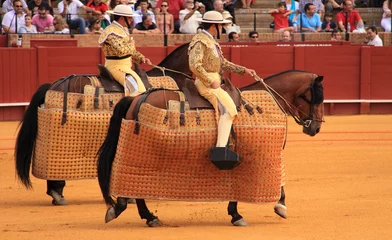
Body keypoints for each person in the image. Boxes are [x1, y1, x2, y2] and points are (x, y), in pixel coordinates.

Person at [188, 10, 256, 161]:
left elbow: (223, 63)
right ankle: (220, 151)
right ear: (214, 26)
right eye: (221, 26)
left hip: (213, 81)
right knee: (229, 109)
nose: (223, 29)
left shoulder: (211, 41)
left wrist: (243, 70)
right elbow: (194, 65)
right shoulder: (200, 40)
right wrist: (209, 81)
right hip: (206, 84)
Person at [99, 4, 151, 96]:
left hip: (124, 67)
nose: (131, 20)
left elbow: (128, 51)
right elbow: (120, 50)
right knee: (136, 89)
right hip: (116, 68)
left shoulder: (122, 30)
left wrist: (140, 57)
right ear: (122, 18)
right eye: (129, 18)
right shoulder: (111, 32)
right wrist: (132, 45)